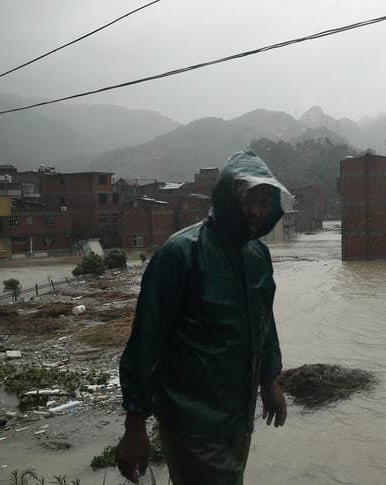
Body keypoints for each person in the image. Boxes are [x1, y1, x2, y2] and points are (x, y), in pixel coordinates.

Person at [115, 151, 290, 484]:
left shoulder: (257, 256)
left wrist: (269, 381)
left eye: (265, 200)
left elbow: (263, 324)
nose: (256, 211)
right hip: (191, 422)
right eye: (248, 199)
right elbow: (146, 342)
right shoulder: (181, 254)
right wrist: (134, 426)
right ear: (227, 197)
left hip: (239, 419)